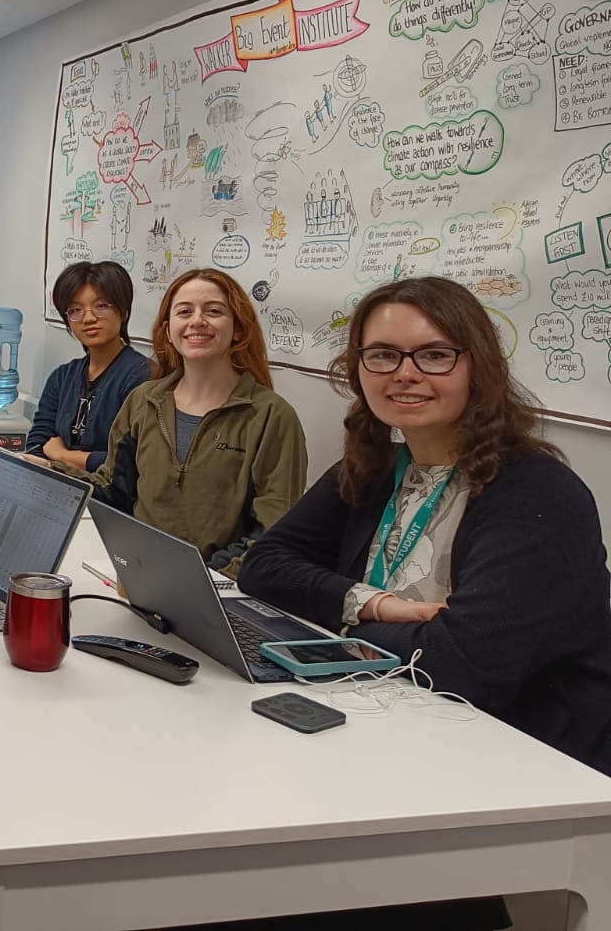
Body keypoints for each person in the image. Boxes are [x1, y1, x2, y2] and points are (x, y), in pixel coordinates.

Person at [240, 277, 611, 772]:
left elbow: (461, 664)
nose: (404, 374)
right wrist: (372, 603)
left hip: (524, 764)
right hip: (389, 723)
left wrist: (328, 623)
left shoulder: (538, 494)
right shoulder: (372, 468)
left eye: (434, 355)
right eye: (383, 355)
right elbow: (263, 567)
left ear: (478, 368)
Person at [62, 267, 306, 573]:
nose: (197, 321)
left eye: (214, 311)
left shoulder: (272, 416)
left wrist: (201, 578)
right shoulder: (143, 401)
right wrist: (48, 473)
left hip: (220, 590)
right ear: (168, 330)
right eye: (184, 311)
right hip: (138, 575)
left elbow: (272, 533)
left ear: (239, 329)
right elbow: (114, 489)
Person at [24, 260, 150, 472]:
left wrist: (63, 455)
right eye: (75, 310)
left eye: (101, 306)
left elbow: (128, 461)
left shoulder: (143, 377)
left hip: (109, 499)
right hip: (57, 485)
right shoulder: (62, 377)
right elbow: (38, 444)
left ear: (124, 311)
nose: (89, 318)